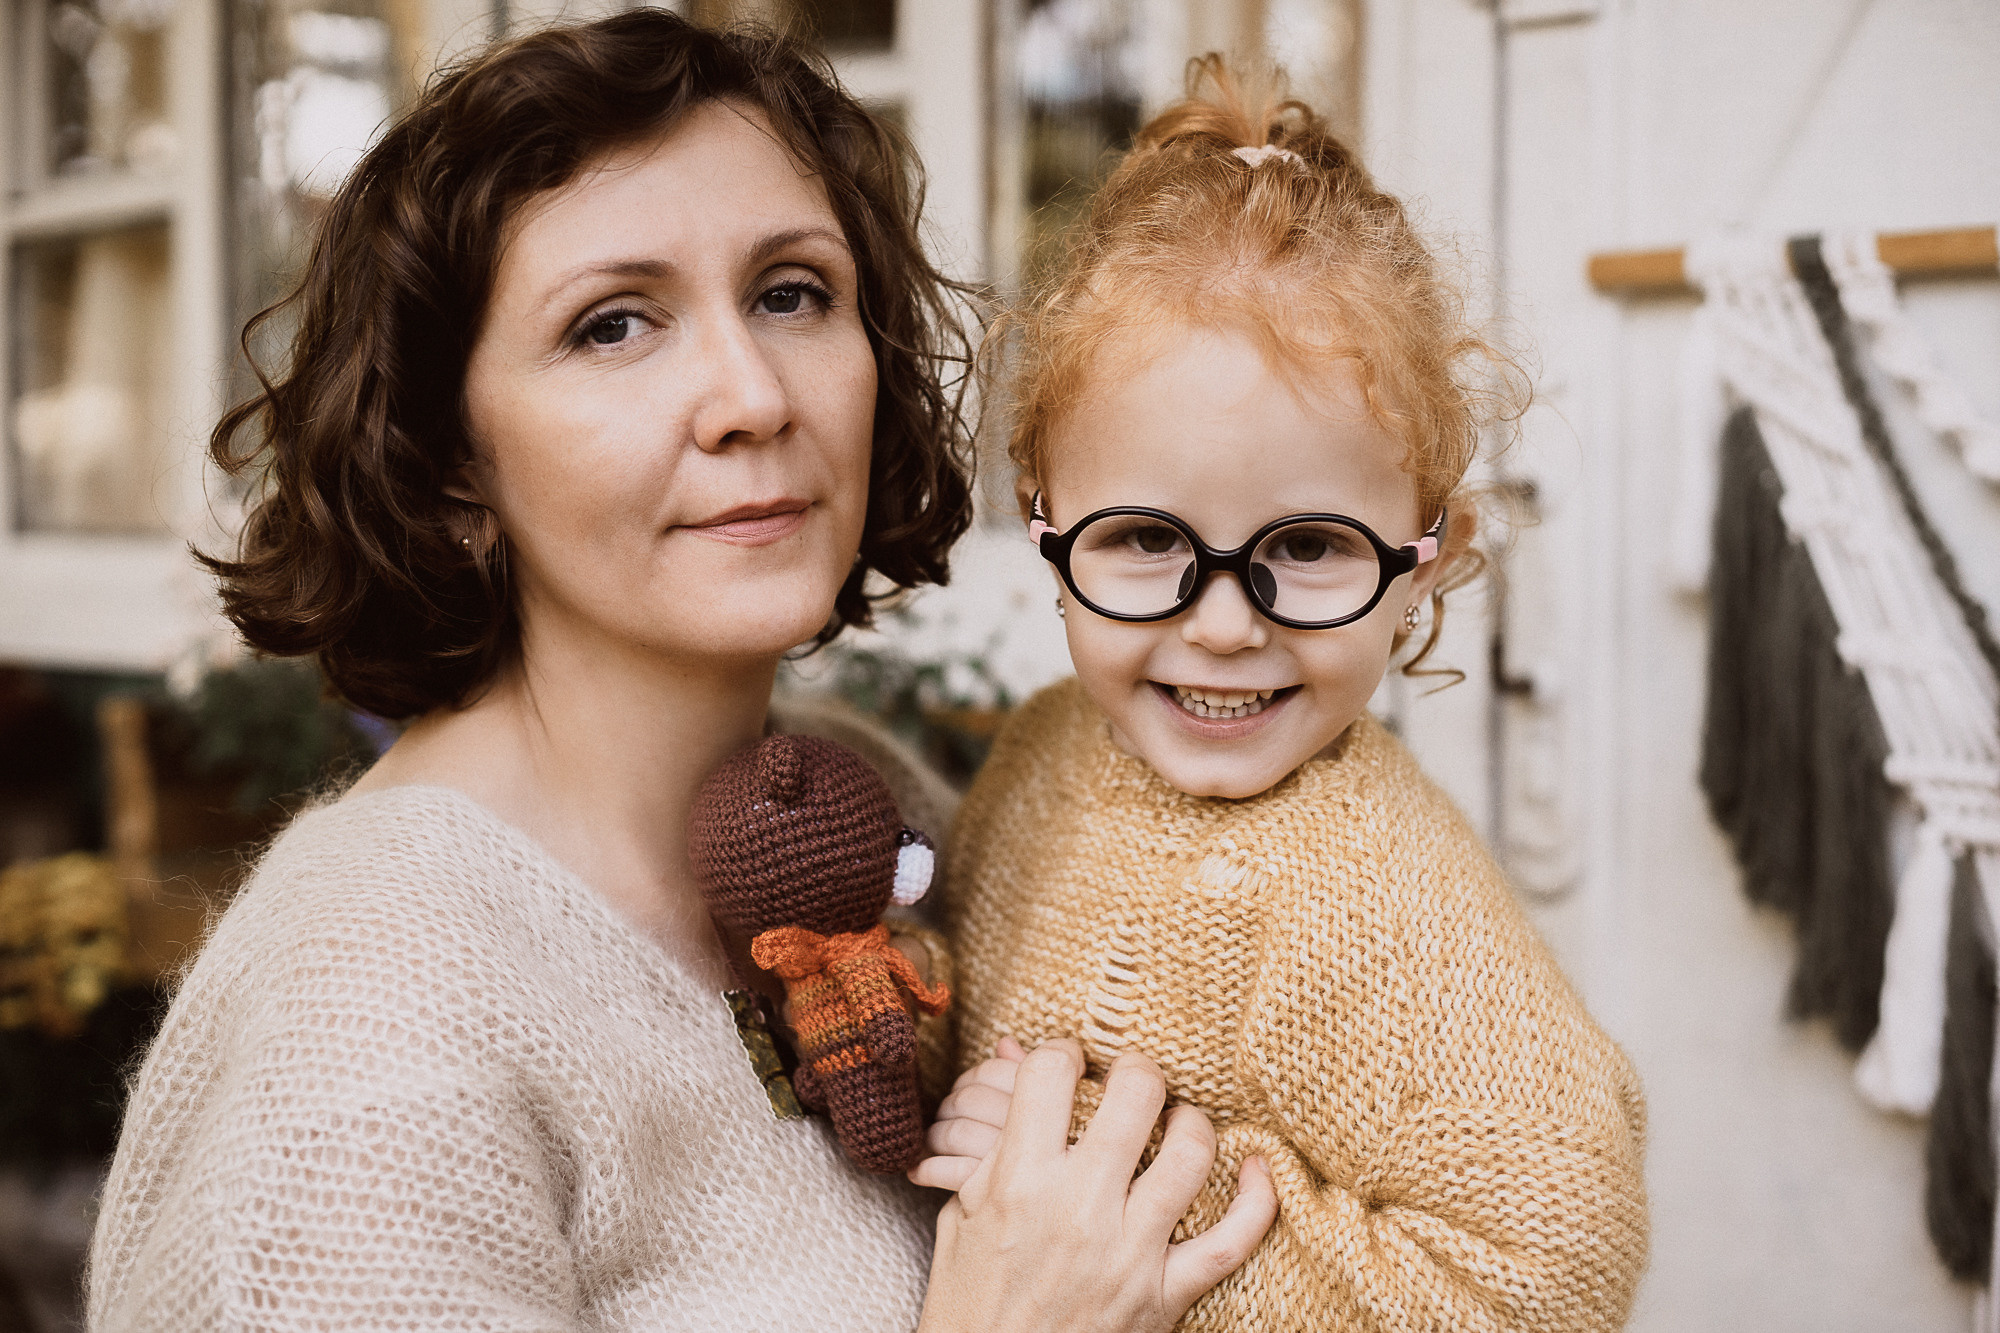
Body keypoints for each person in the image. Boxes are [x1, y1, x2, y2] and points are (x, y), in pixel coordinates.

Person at [84, 15, 1275, 1331]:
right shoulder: (366, 1037)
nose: (752, 393)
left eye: (791, 292)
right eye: (612, 325)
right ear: (448, 465)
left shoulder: (872, 803)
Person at [912, 59, 1651, 1330]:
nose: (1218, 623)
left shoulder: (1388, 908)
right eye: (1144, 538)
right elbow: (982, 996)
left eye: (1305, 548)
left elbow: (1551, 1272)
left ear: (1429, 561)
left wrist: (1151, 1200)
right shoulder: (1041, 752)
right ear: (1044, 527)